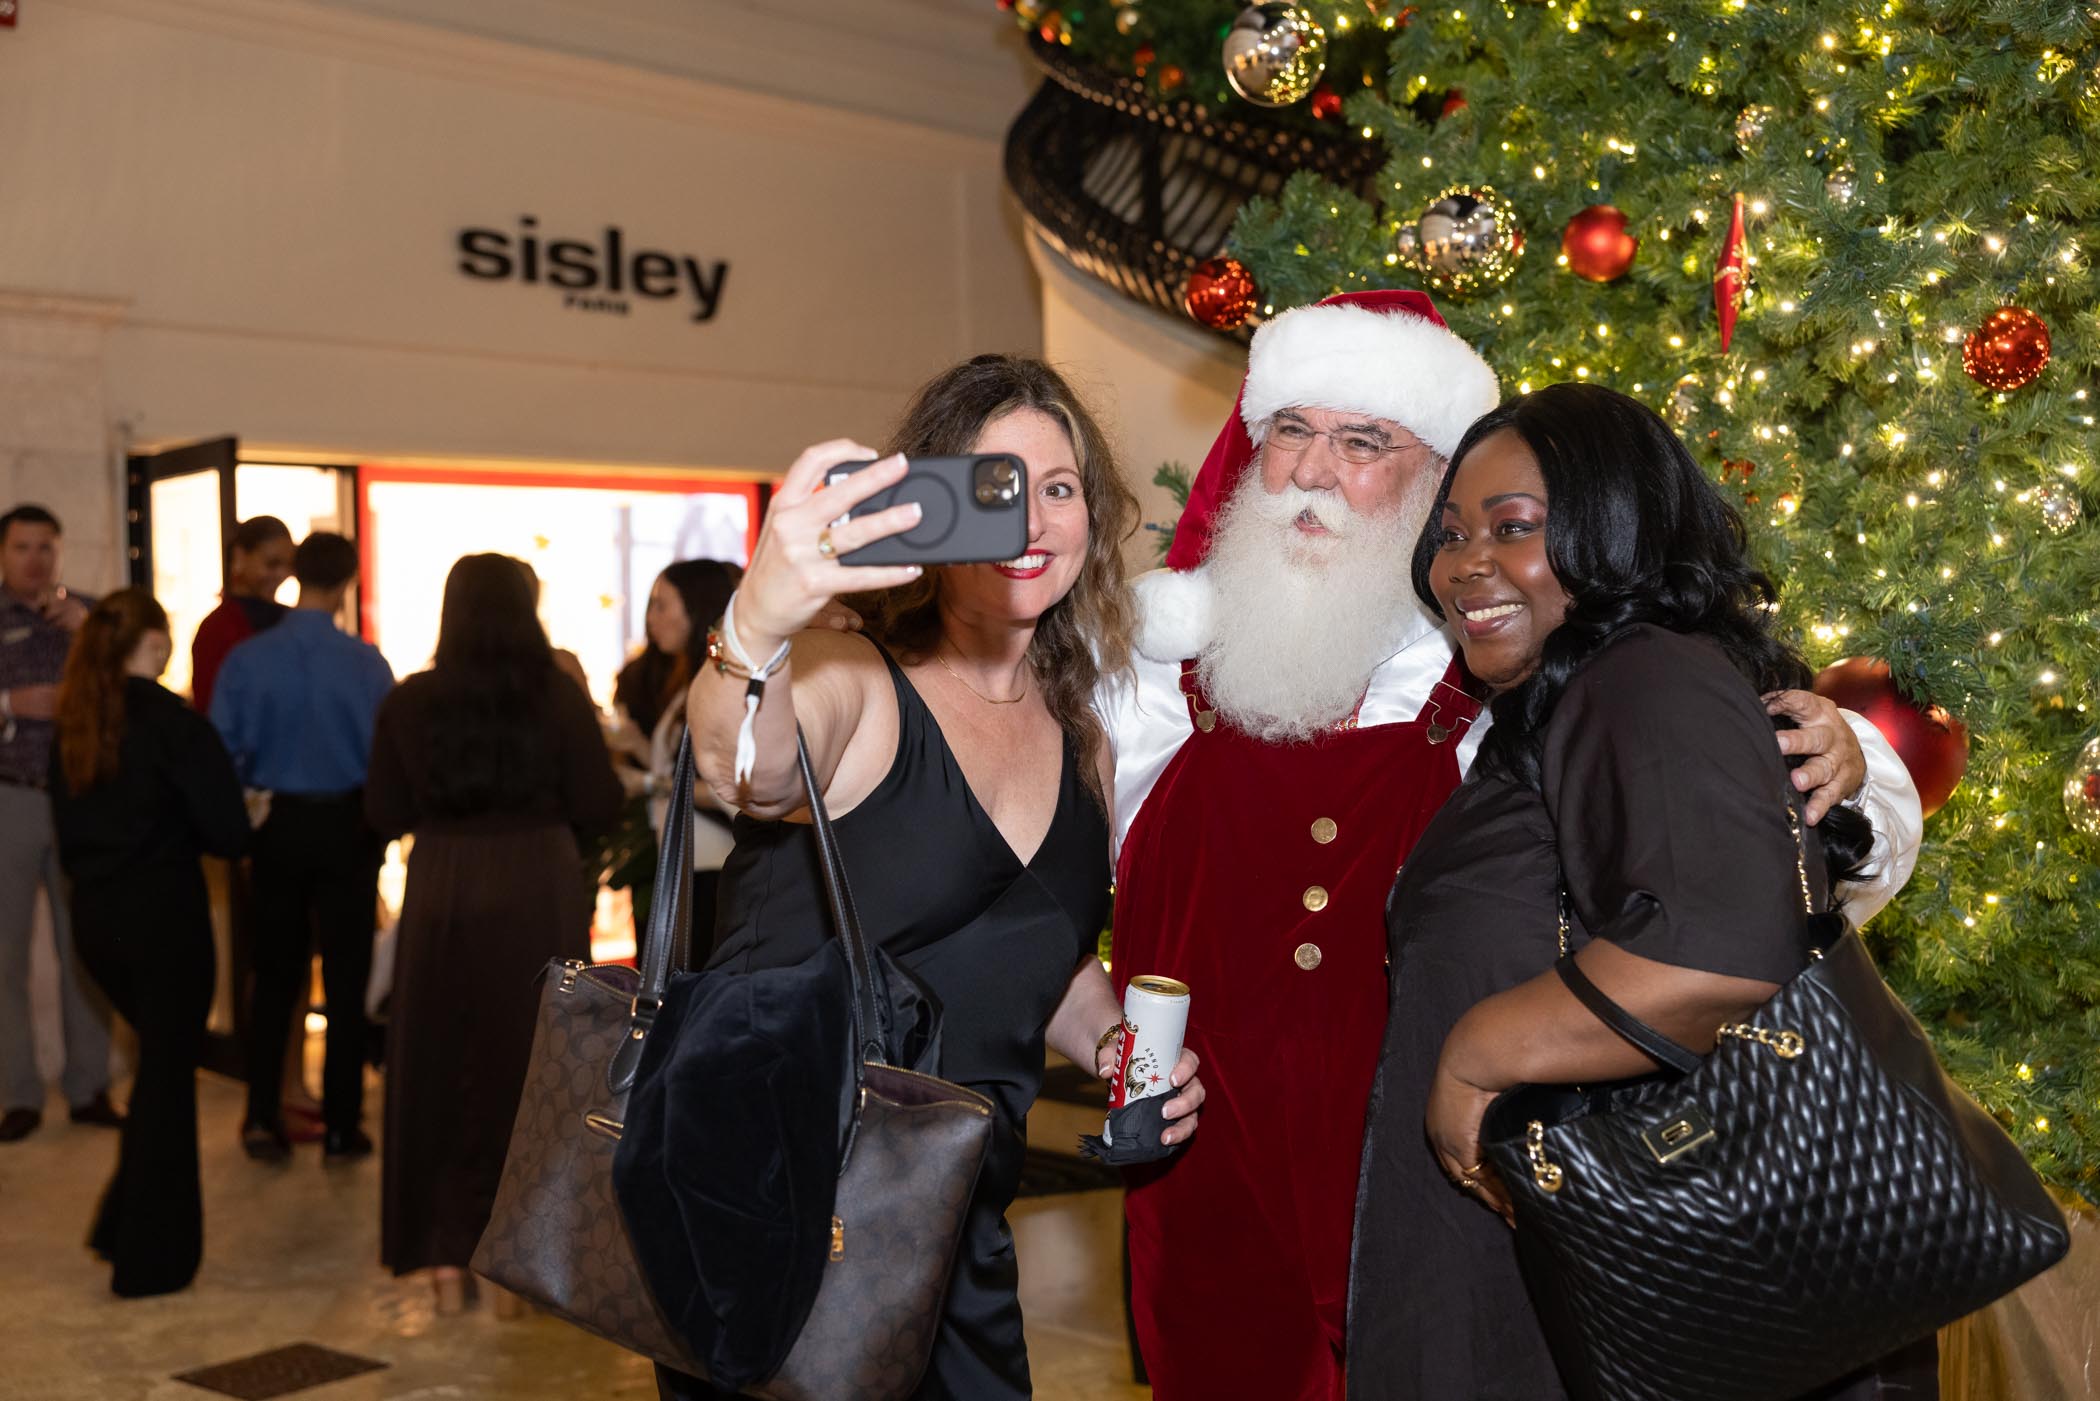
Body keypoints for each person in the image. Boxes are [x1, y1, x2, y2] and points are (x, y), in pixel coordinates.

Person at [1102, 290, 1927, 1400]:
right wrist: (1097, 1036)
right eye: (1290, 430)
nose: (1311, 472)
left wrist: (1850, 759)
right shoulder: (1151, 671)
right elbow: (996, 858)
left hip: (1449, 1199)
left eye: (1363, 442)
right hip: (1215, 1205)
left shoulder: (1519, 668)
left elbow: (1748, 875)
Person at [1349, 382, 1940, 1397]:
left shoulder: (1642, 675)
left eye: (1514, 527)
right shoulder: (1562, 702)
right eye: (1450, 534)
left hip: (1648, 1293)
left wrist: (1473, 1059)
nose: (1464, 563)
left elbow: (1720, 947)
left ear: (1614, 533)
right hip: (1586, 1279)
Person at [668, 354, 1204, 1400]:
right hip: (785, 1219)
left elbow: (1034, 946)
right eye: (998, 488)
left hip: (956, 1219)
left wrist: (1113, 1041)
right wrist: (760, 622)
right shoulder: (855, 680)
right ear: (930, 509)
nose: (1033, 521)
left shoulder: (1084, 742)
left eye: (1061, 489)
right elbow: (741, 770)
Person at [365, 553, 623, 1315]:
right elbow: (599, 800)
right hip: (538, 880)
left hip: (443, 883)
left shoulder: (410, 700)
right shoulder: (557, 696)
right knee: (539, 1065)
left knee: (438, 1064)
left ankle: (445, 1259)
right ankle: (521, 1267)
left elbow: (383, 811)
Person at [48, 589, 249, 1297]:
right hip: (164, 920)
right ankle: (151, 1261)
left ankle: (119, 1225)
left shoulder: (77, 724)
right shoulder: (174, 724)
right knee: (167, 1079)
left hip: (97, 923)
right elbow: (228, 832)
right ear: (158, 644)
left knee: (159, 1069)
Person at [210, 531, 394, 1163]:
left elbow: (223, 752)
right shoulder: (367, 664)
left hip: (277, 826)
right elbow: (385, 758)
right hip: (347, 827)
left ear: (294, 574)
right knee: (346, 979)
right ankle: (342, 1125)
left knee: (274, 977)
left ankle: (262, 1118)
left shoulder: (249, 660)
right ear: (347, 581)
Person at [0, 503, 119, 1142]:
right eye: (23, 547)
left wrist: (92, 633)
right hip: (10, 798)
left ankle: (89, 1087)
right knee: (5, 954)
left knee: (88, 946)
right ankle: (18, 1094)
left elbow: (137, 683)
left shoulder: (93, 616)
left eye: (46, 547)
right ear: (3, 553)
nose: (35, 559)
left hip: (82, 800)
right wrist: (9, 703)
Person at [633, 560, 741, 952]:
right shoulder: (694, 679)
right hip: (691, 862)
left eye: (662, 605)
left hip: (712, 865)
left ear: (695, 608)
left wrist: (650, 783)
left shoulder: (720, 680)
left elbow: (732, 789)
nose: (651, 619)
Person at [189, 515, 294, 715]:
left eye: (288, 565)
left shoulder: (289, 619)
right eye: (272, 564)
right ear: (239, 557)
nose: (281, 574)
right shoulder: (217, 629)